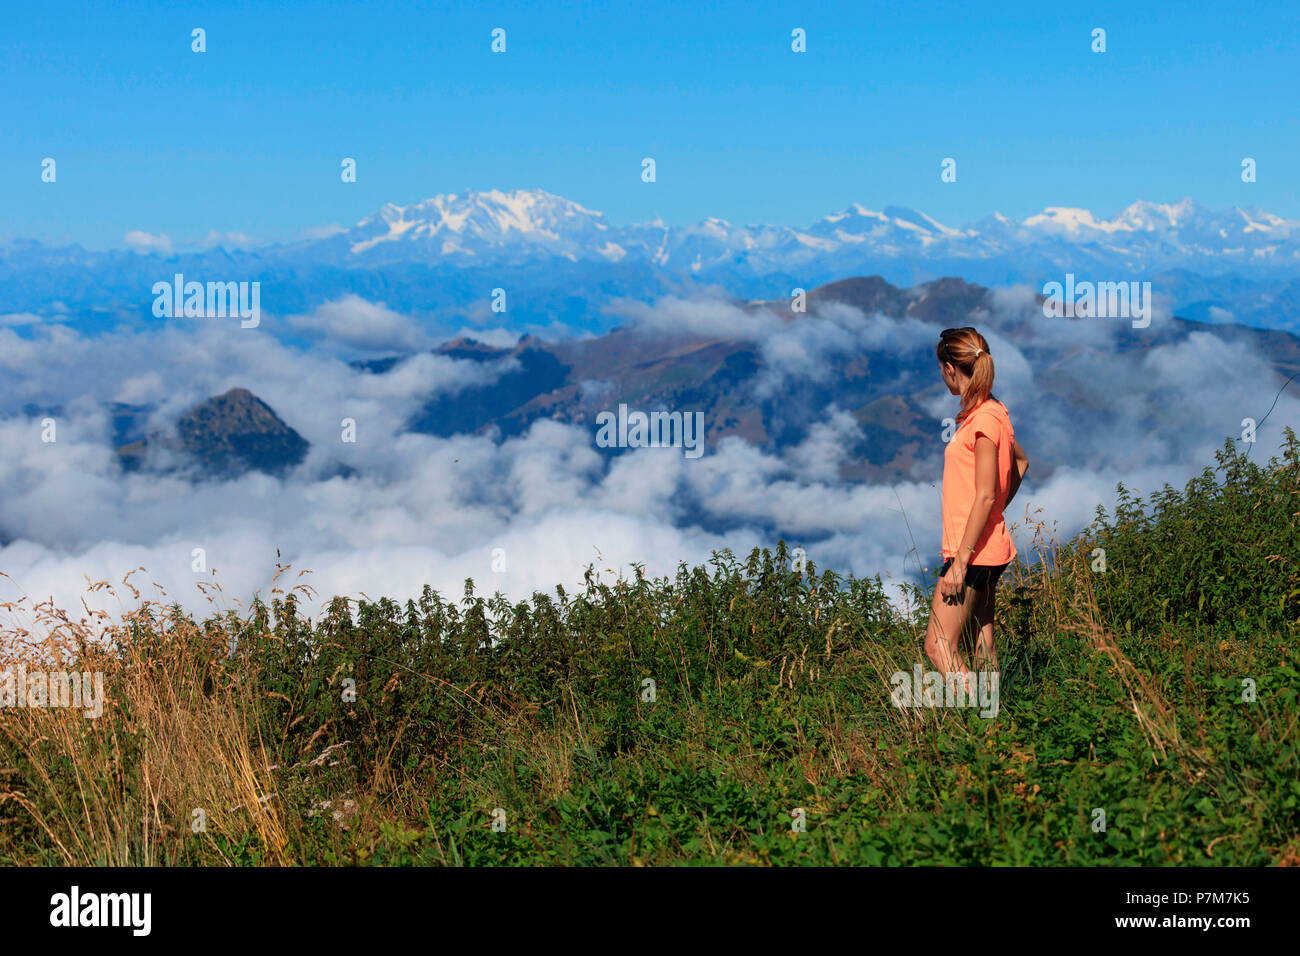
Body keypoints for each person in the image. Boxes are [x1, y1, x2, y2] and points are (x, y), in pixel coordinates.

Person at [924, 327, 1029, 685]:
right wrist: (997, 511)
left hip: (972, 555)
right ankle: (994, 725)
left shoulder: (982, 422)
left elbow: (985, 494)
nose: (942, 377)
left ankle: (978, 710)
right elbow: (1021, 463)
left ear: (951, 368)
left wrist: (960, 562)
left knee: (939, 647)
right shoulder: (995, 411)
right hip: (988, 548)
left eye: (941, 369)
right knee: (981, 644)